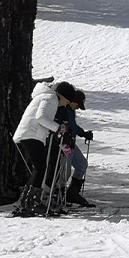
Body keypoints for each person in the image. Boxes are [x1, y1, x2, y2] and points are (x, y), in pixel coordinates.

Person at [12, 80, 78, 216]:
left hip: (29, 133)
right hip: (32, 134)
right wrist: (58, 128)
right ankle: (32, 202)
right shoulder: (51, 98)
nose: (65, 104)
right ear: (63, 96)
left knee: (39, 168)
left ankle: (27, 201)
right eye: (66, 101)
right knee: (40, 168)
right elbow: (41, 117)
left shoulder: (45, 96)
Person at [63, 89, 95, 207]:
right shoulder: (63, 110)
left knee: (82, 165)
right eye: (77, 105)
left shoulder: (71, 111)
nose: (77, 108)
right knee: (64, 173)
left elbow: (74, 126)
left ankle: (72, 193)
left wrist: (83, 133)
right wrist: (81, 133)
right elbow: (70, 127)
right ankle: (58, 196)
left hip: (70, 143)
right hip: (64, 144)